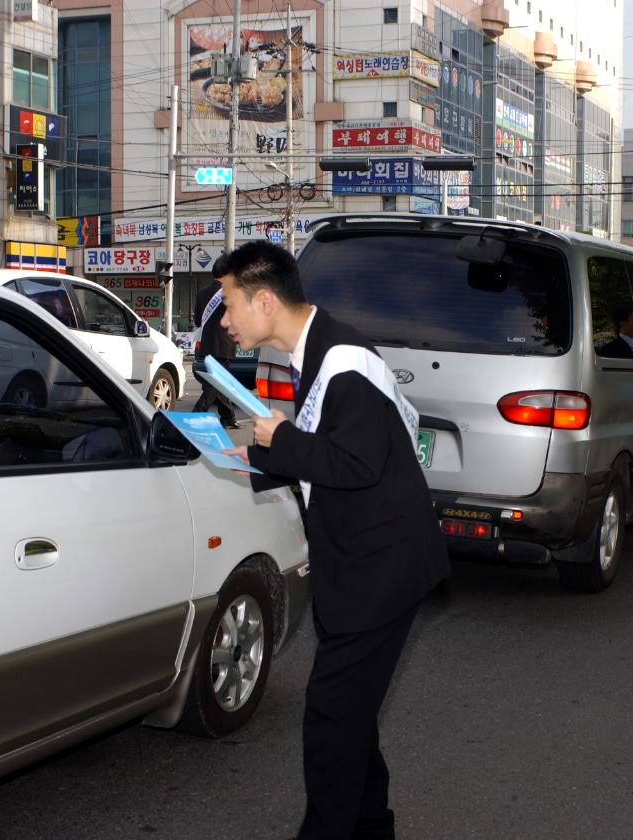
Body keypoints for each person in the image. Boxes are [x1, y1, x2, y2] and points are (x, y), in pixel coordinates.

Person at [216, 241, 450, 840]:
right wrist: (252, 458)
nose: (224, 320)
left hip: (380, 571)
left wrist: (281, 438)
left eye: (229, 304)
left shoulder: (342, 362)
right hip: (363, 566)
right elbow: (332, 454)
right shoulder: (317, 352)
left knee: (330, 723)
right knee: (350, 720)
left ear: (264, 301)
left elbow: (358, 461)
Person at [192, 259, 239, 428]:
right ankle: (195, 416)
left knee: (220, 383)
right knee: (215, 384)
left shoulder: (202, 293)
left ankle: (228, 418)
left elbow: (198, 321)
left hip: (207, 346)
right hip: (224, 345)